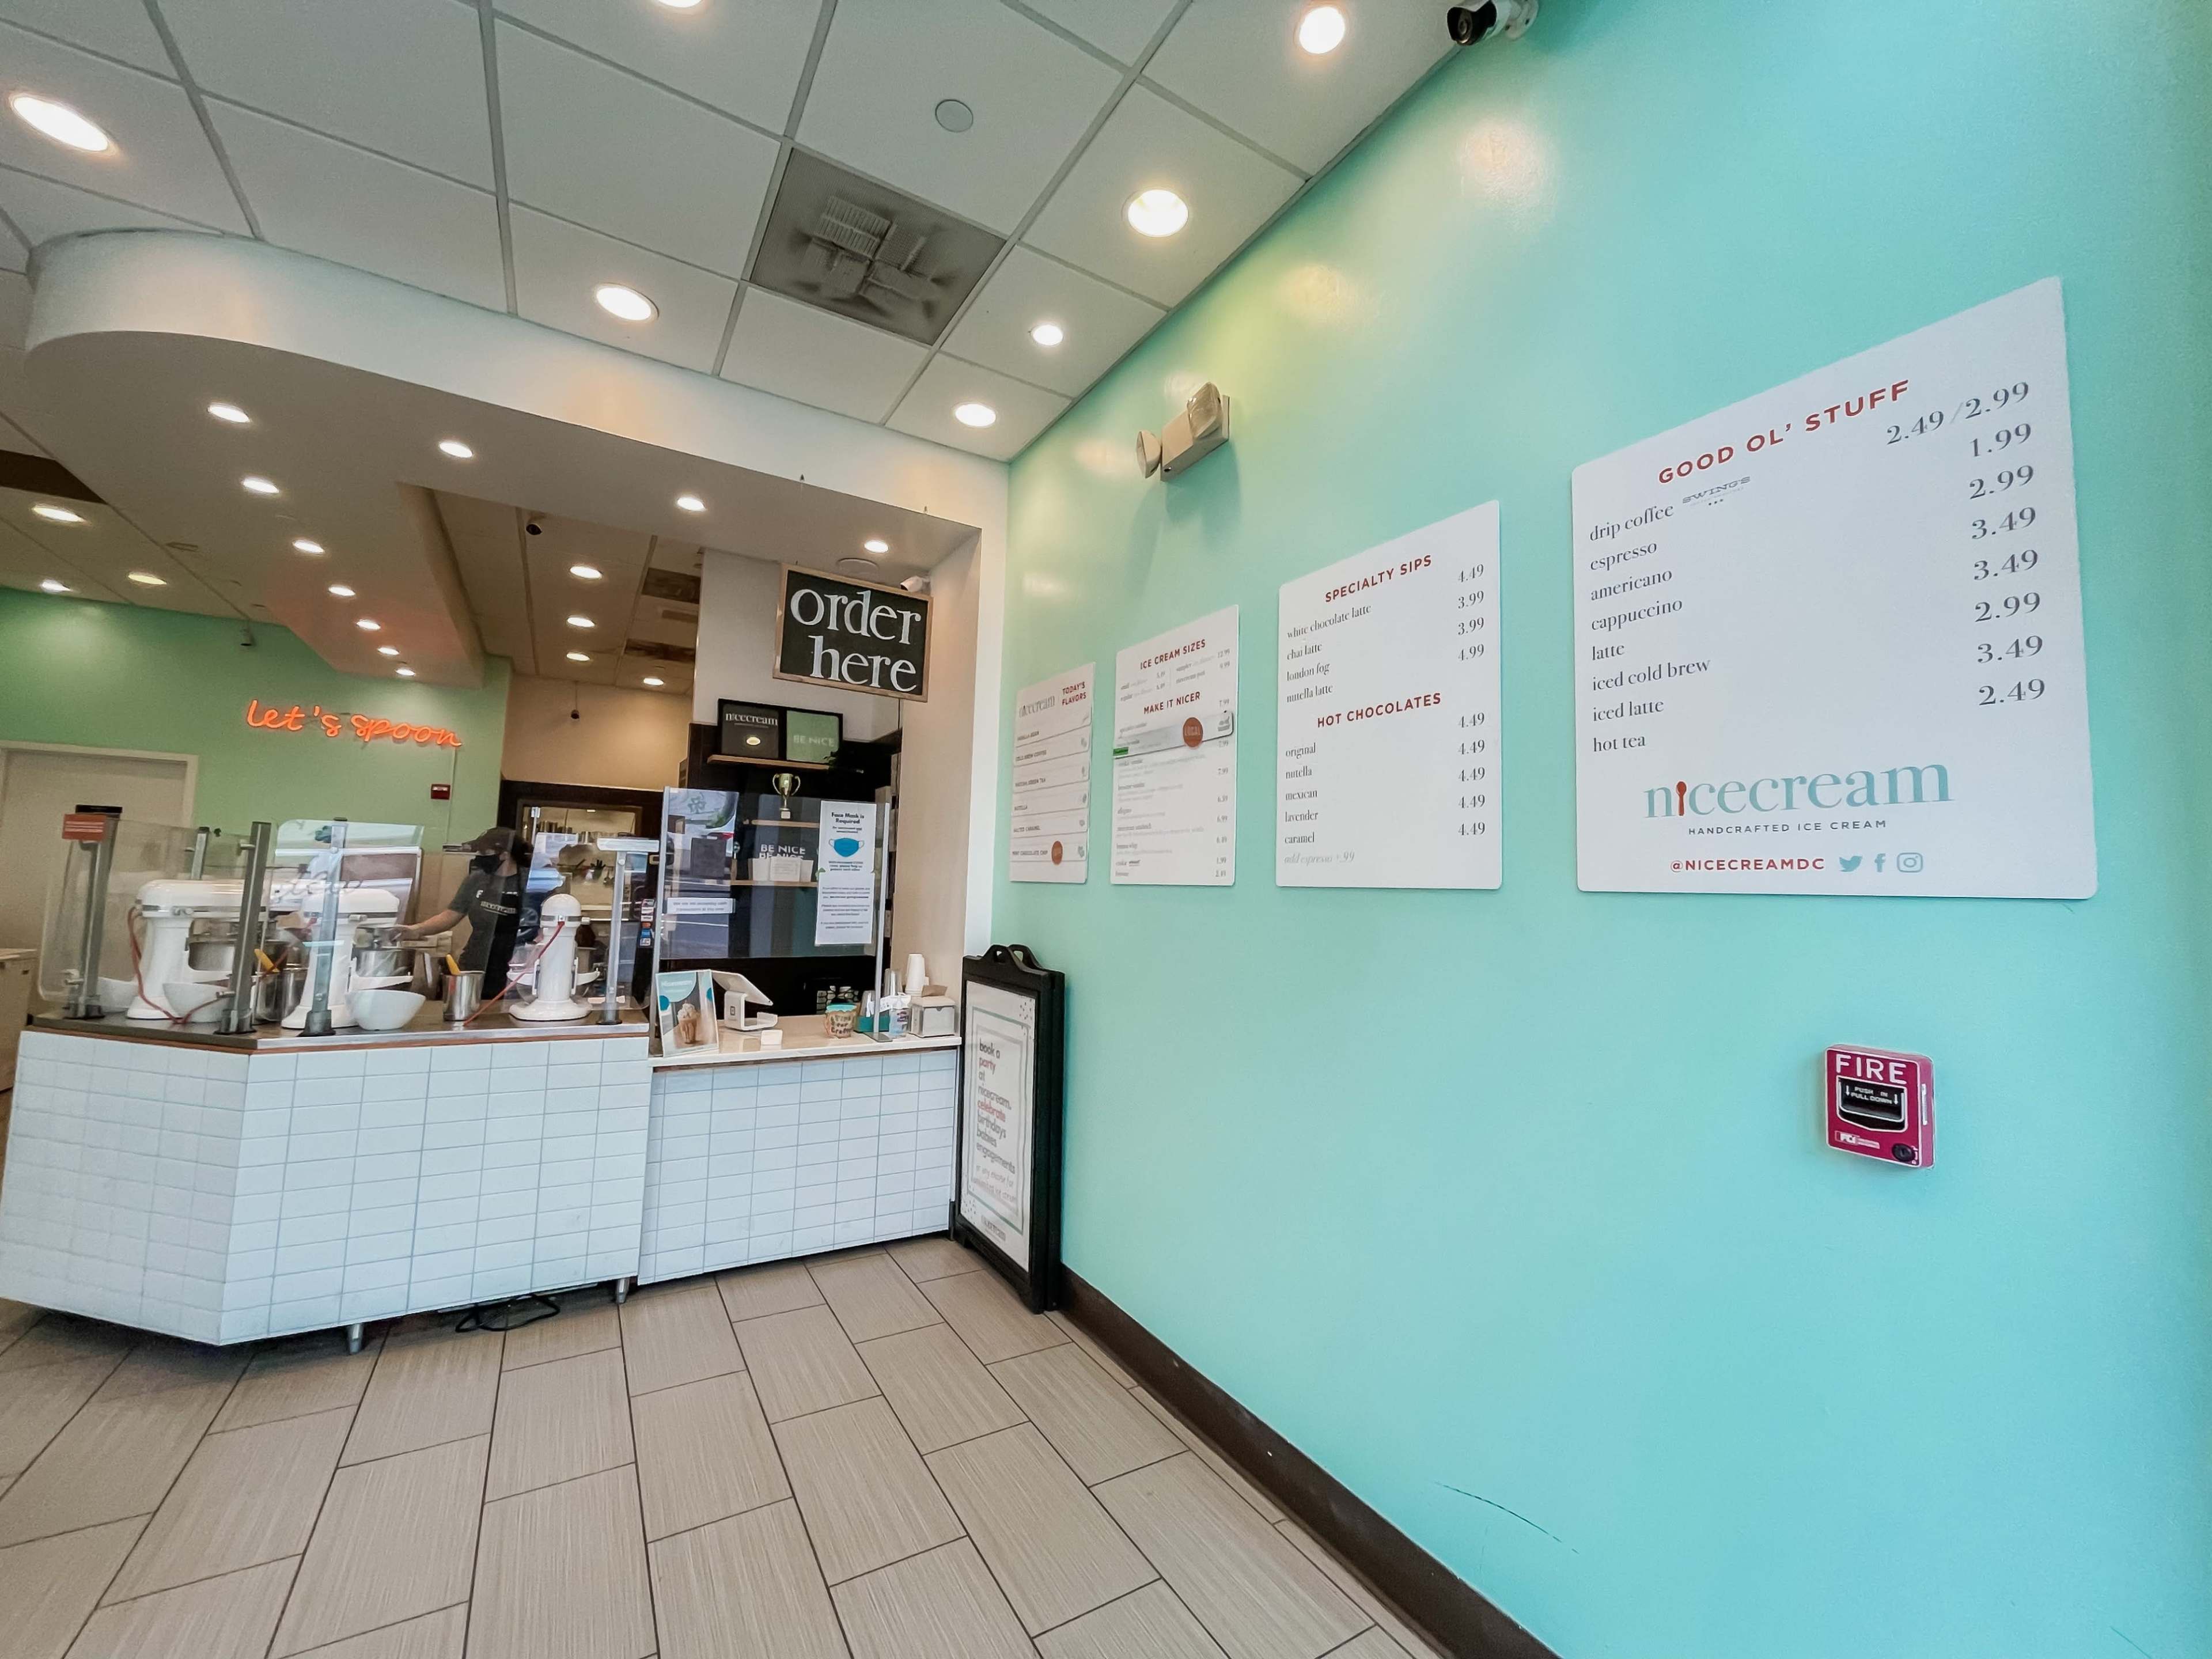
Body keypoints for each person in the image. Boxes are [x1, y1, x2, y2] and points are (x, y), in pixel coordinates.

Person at [400, 827, 540, 997]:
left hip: (515, 967)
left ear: (504, 855)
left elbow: (544, 927)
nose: (479, 857)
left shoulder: (532, 883)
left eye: (484, 852)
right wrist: (416, 930)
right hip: (475, 963)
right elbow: (451, 915)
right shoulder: (477, 879)